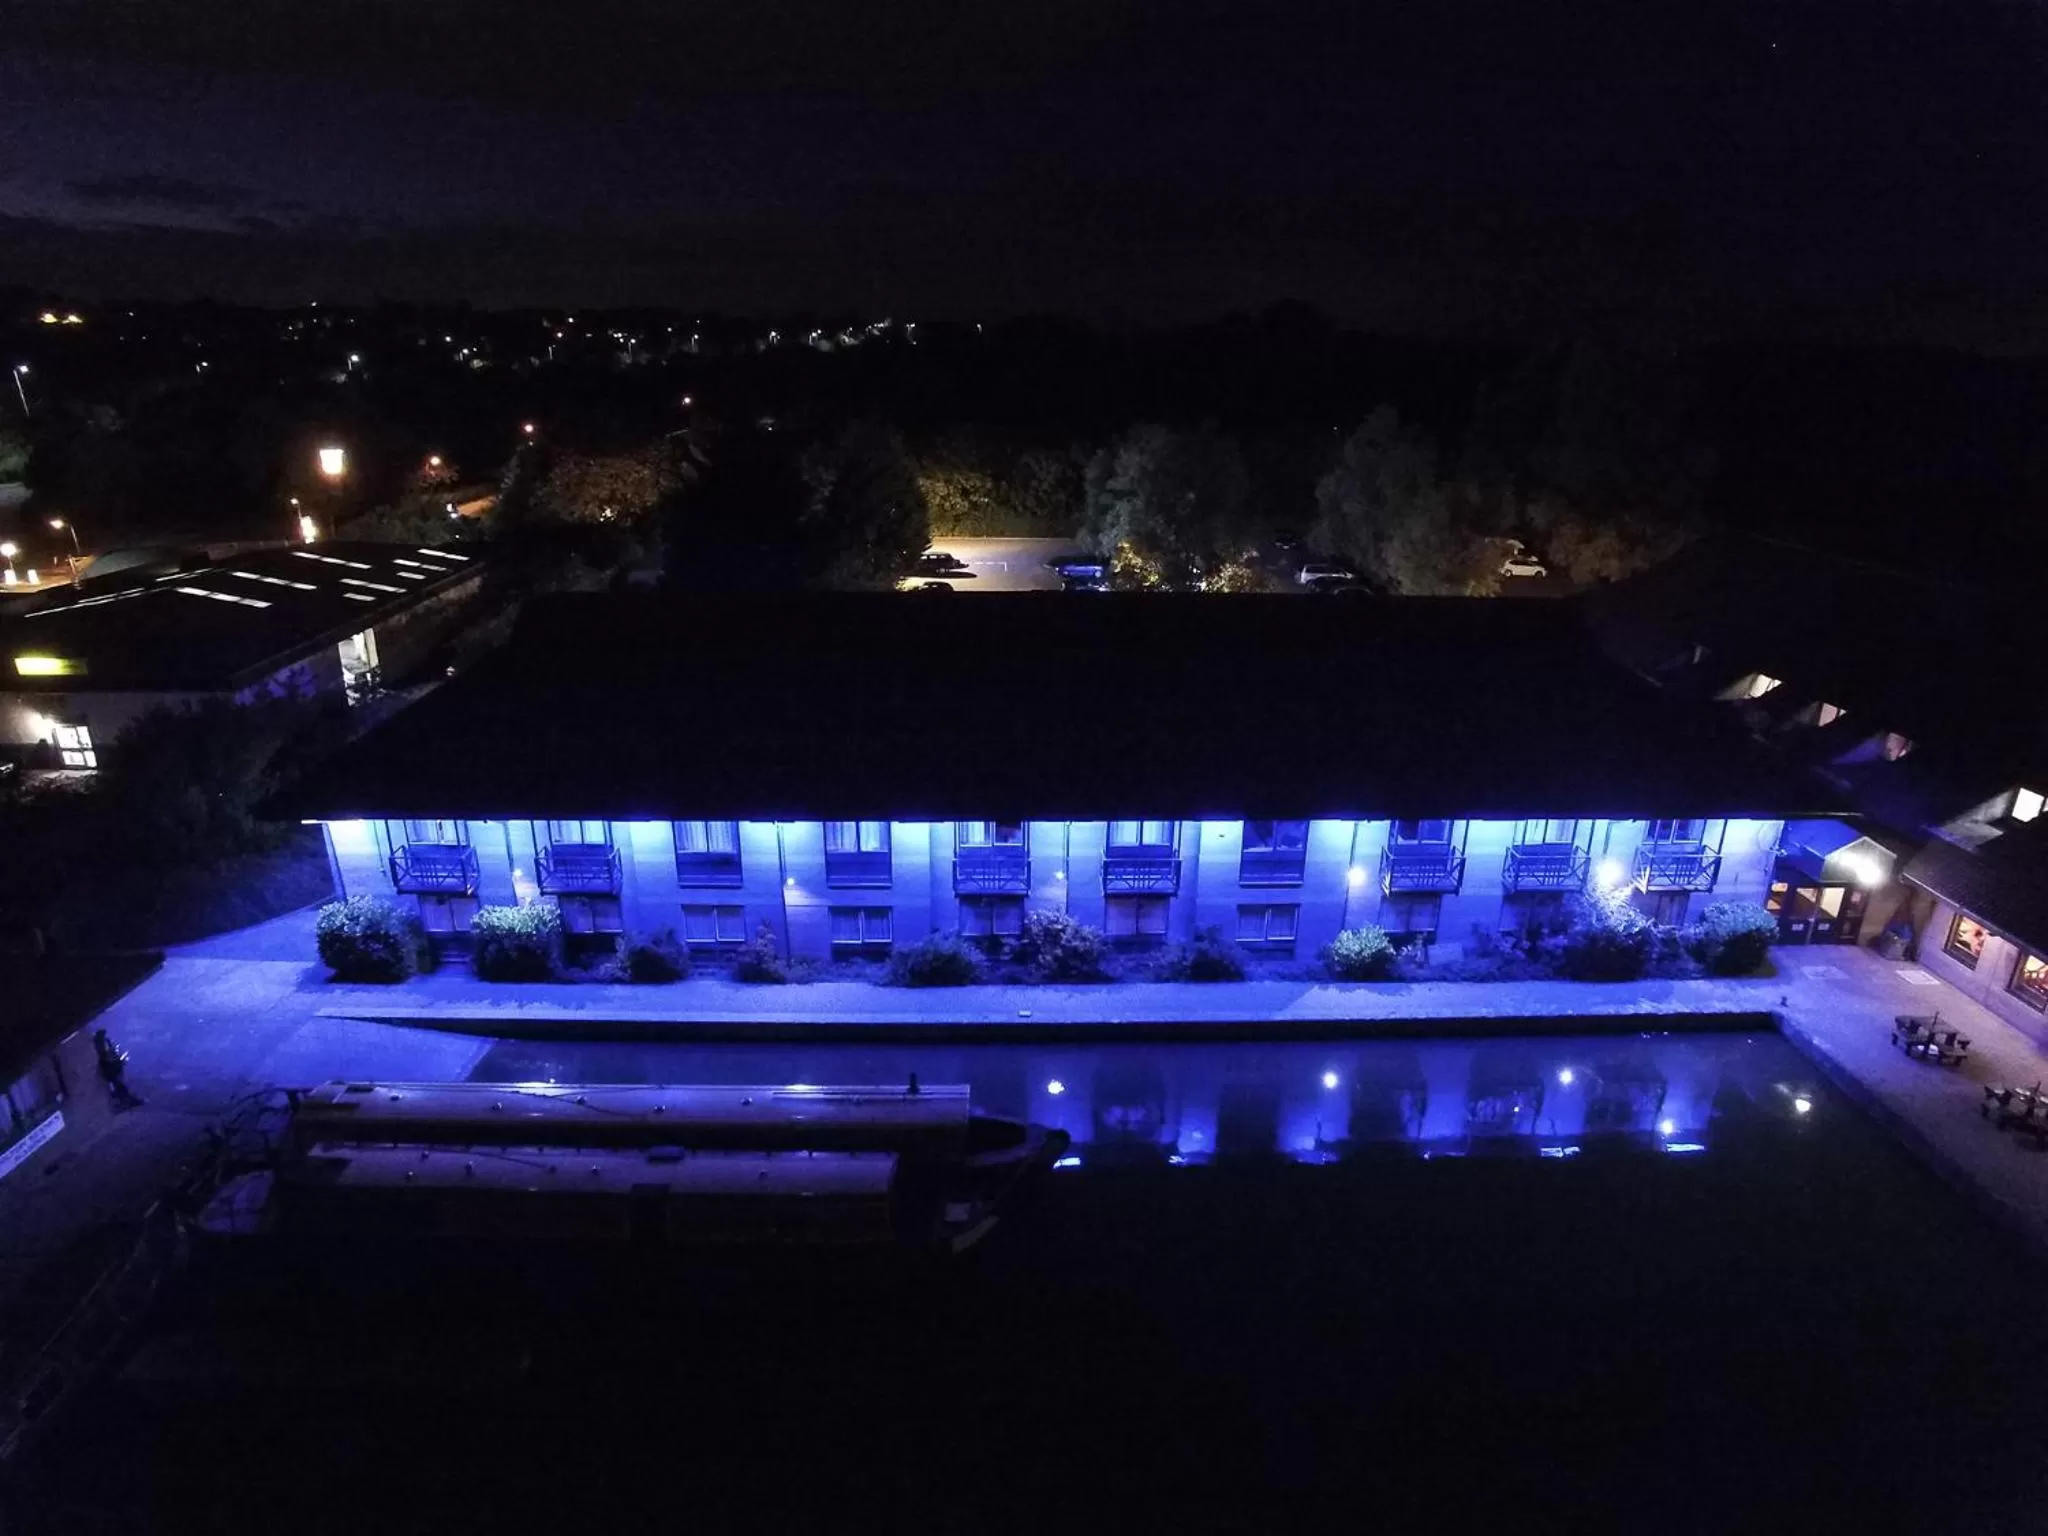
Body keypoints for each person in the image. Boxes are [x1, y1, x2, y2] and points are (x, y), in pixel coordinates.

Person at [93, 1028, 143, 1110]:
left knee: (119, 1086)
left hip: (112, 1070)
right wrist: (117, 1061)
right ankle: (127, 1101)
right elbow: (106, 1058)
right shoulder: (101, 1046)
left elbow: (109, 1055)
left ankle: (127, 1100)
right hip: (111, 1071)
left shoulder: (104, 1043)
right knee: (119, 1086)